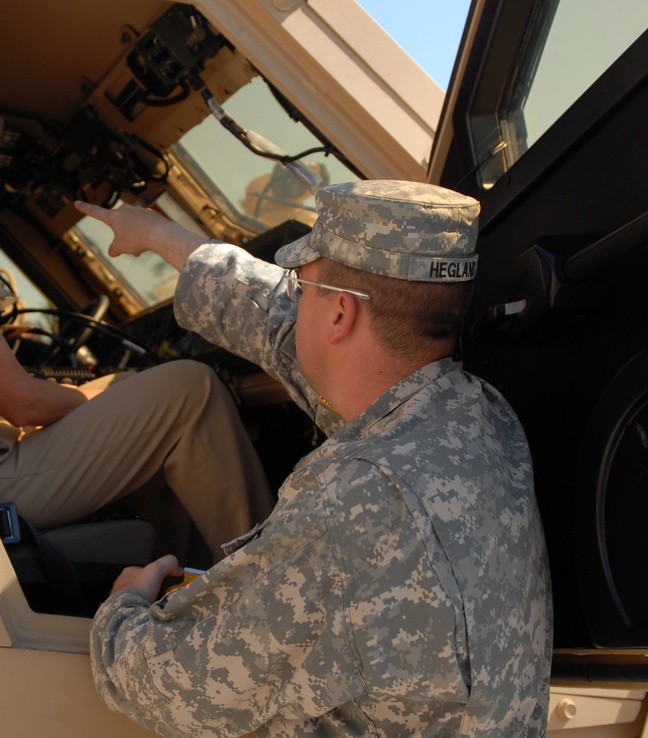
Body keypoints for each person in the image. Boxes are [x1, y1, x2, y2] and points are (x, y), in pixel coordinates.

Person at [76, 180, 552, 736]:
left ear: (340, 316)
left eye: (303, 285)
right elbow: (276, 317)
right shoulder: (474, 415)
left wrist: (122, 607)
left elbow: (171, 688)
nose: (292, 298)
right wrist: (159, 235)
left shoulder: (359, 505)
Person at [0, 41, 273, 562]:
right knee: (193, 388)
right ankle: (274, 576)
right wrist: (77, 405)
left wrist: (86, 401)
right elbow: (21, 404)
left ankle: (180, 575)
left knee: (121, 387)